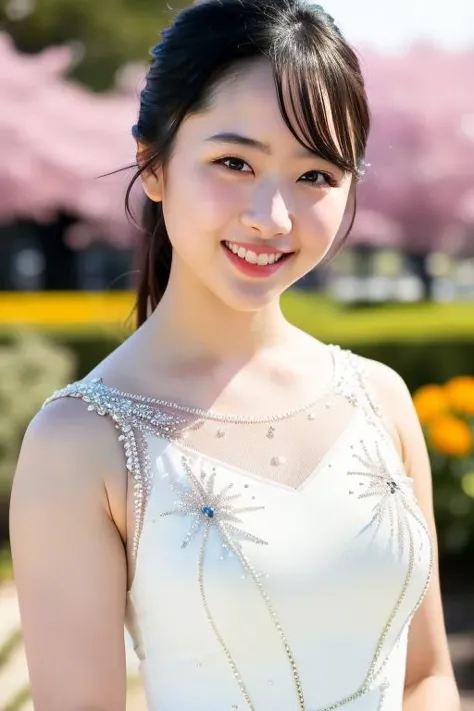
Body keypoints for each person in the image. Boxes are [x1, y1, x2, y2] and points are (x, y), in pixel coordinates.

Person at [10, 1, 460, 710]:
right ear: (153, 165)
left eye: (316, 175)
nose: (272, 217)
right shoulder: (80, 442)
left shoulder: (380, 397)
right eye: (233, 161)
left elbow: (425, 676)